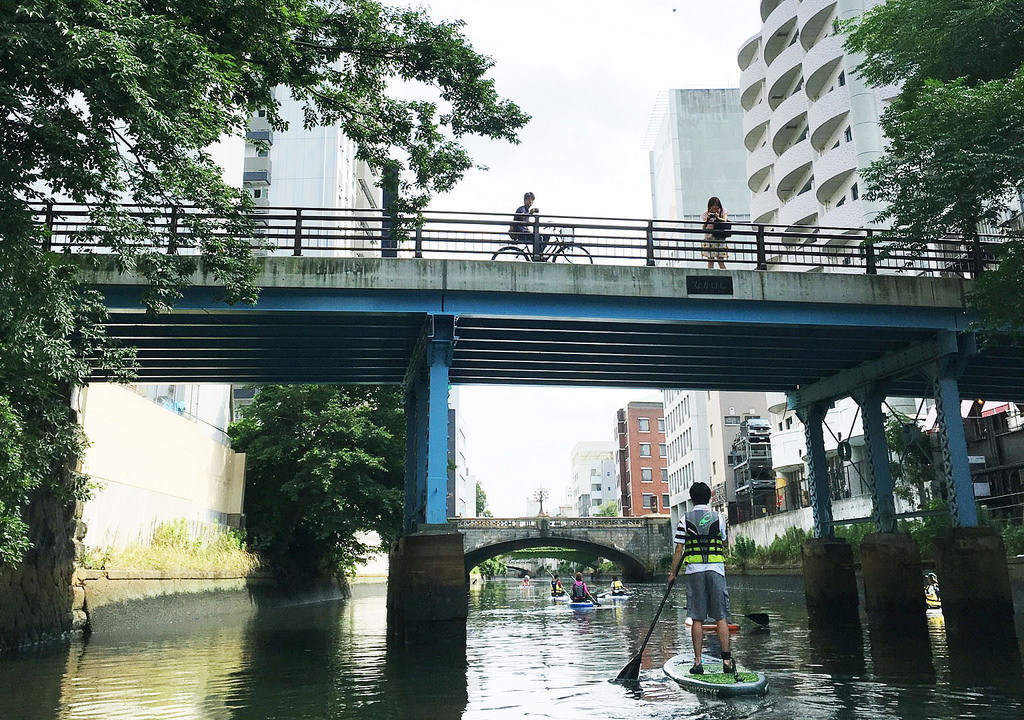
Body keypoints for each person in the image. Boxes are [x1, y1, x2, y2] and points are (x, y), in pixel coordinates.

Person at [668, 481, 734, 676]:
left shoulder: (684, 520)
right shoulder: (719, 518)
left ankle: (698, 663)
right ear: (709, 498)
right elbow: (723, 539)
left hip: (695, 571)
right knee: (721, 617)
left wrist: (673, 574)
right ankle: (727, 662)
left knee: (697, 618)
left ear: (692, 498)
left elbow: (679, 549)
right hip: (716, 570)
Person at [700, 196, 729, 270]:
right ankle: (710, 276)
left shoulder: (723, 211)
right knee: (710, 260)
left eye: (717, 205)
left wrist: (718, 218)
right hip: (709, 238)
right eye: (713, 205)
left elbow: (725, 220)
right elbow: (703, 228)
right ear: (709, 206)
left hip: (720, 236)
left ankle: (725, 276)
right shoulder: (705, 214)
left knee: (720, 260)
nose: (715, 207)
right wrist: (708, 219)